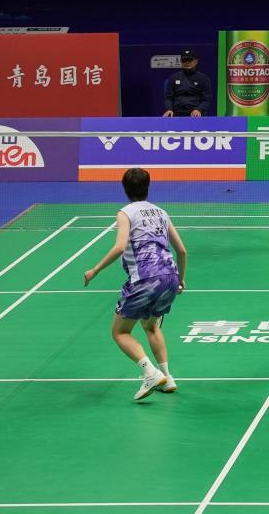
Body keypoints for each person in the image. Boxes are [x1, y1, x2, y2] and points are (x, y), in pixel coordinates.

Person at [83, 167, 188, 401]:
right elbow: (181, 250)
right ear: (148, 187)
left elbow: (120, 247)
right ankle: (168, 377)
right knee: (151, 326)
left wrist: (95, 270)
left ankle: (150, 373)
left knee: (120, 332)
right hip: (169, 276)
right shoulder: (161, 212)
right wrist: (180, 279)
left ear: (125, 188)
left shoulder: (125, 213)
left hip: (145, 278)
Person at [163, 50, 212, 117]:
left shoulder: (204, 79)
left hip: (195, 114)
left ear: (196, 62)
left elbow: (206, 100)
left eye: (190, 60)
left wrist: (199, 110)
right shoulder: (173, 78)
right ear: (181, 62)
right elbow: (168, 98)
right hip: (177, 113)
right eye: (184, 60)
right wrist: (169, 109)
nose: (187, 62)